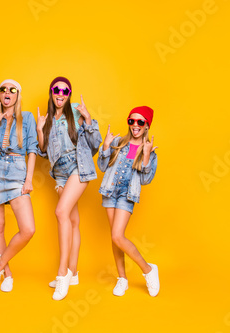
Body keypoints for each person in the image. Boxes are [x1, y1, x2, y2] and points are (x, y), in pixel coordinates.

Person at [36, 76, 102, 300]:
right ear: (51, 92)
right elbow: (44, 152)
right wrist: (39, 129)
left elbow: (96, 143)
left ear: (69, 94)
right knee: (72, 221)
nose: (60, 94)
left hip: (78, 166)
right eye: (57, 89)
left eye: (65, 91)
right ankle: (73, 272)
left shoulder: (74, 111)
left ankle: (62, 274)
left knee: (60, 213)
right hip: (60, 175)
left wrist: (89, 119)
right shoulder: (47, 119)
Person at [97, 106, 159, 297]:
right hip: (109, 191)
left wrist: (146, 156)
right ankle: (122, 279)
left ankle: (148, 270)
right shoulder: (117, 142)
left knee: (118, 235)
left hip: (126, 194)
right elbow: (101, 166)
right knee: (115, 240)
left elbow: (145, 180)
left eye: (140, 122)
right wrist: (106, 147)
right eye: (131, 121)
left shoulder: (148, 150)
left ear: (146, 125)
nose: (135, 125)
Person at [0, 79, 37, 292]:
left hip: (17, 172)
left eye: (12, 90)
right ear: (0, 95)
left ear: (17, 95)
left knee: (28, 229)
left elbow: (32, 149)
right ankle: (7, 274)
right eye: (3, 89)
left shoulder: (28, 118)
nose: (7, 92)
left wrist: (29, 179)